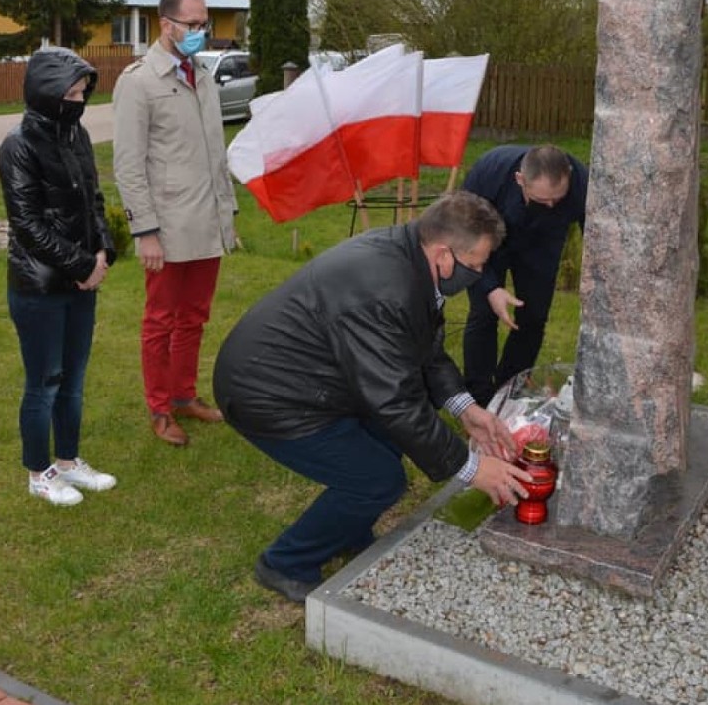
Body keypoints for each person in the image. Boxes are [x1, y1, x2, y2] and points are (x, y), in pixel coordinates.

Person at [213, 191, 532, 604]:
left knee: (382, 448)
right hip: (267, 393)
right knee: (378, 479)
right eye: (476, 265)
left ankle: (346, 530)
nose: (481, 273)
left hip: (314, 377)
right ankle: (285, 563)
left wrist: (466, 409)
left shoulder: (409, 260)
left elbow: (423, 350)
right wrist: (471, 468)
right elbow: (395, 401)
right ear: (443, 255)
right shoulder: (386, 287)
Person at [113, 0, 236, 447]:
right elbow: (128, 163)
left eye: (204, 24)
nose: (200, 33)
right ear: (166, 25)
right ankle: (160, 408)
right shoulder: (139, 81)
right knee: (161, 320)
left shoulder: (202, 75)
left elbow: (213, 153)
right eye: (193, 25)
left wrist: (228, 215)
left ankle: (185, 396)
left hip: (206, 222)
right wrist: (144, 230)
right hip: (166, 227)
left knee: (194, 317)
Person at [0, 47, 117, 506]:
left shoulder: (77, 135)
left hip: (80, 282)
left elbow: (94, 198)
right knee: (44, 380)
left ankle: (68, 461)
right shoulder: (18, 146)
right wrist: (82, 265)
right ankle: (38, 471)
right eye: (70, 92)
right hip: (39, 286)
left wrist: (103, 249)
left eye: (82, 92)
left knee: (74, 379)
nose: (78, 99)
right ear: (46, 92)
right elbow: (27, 224)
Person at [461, 143, 588, 407]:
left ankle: (509, 392)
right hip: (487, 242)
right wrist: (489, 287)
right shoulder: (488, 174)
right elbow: (464, 238)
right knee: (483, 312)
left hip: (542, 244)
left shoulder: (582, 184)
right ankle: (479, 399)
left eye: (558, 198)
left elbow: (598, 237)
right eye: (543, 201)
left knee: (533, 317)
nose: (552, 205)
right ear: (520, 180)